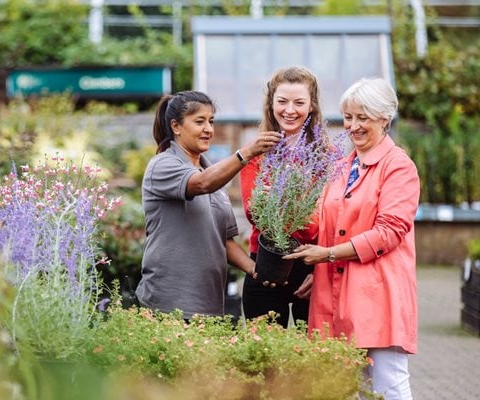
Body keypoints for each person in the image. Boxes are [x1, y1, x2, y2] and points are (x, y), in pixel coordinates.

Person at [284, 77, 420, 399]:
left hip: (379, 294)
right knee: (348, 388)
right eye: (348, 117)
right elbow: (323, 223)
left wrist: (328, 255)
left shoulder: (398, 167)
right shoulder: (343, 167)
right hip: (335, 293)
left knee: (388, 387)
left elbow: (389, 231)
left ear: (385, 119)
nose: (353, 126)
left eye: (363, 118)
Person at [135, 90, 282, 320]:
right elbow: (202, 184)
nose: (209, 129)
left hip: (209, 304)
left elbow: (224, 240)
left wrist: (257, 271)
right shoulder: (163, 165)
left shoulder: (209, 171)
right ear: (176, 126)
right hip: (169, 303)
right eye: (199, 121)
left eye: (211, 121)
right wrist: (247, 152)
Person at [240, 66, 321, 327]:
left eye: (299, 102)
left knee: (310, 363)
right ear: (271, 103)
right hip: (264, 266)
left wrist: (279, 200)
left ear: (312, 106)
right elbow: (255, 215)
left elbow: (318, 225)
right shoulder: (257, 151)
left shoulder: (326, 156)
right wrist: (288, 205)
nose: (290, 110)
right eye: (282, 101)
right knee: (263, 360)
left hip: (310, 268)